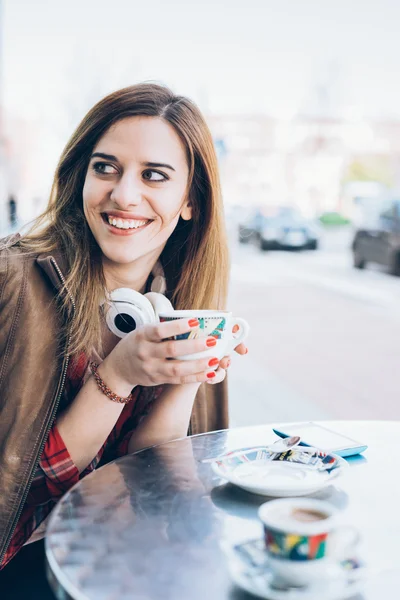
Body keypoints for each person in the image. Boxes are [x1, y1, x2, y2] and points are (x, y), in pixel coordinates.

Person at [0, 83, 248, 571]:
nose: (124, 194)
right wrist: (118, 375)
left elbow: (155, 478)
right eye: (105, 168)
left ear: (190, 201)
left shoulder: (182, 303)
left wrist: (186, 375)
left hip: (121, 554)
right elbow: (34, 481)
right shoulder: (13, 281)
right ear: (82, 178)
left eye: (154, 175)